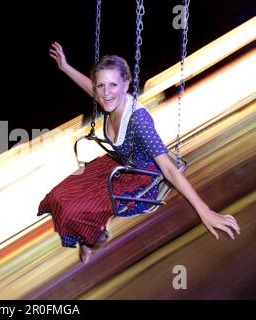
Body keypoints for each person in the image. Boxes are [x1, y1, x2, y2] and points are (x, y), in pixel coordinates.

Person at [37, 42, 241, 263]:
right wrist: (65, 67)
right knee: (59, 196)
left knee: (73, 210)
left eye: (113, 85)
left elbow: (168, 169)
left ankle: (95, 240)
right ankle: (88, 235)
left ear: (126, 84)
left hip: (140, 179)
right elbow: (92, 88)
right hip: (118, 163)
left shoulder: (138, 120)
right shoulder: (108, 98)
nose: (106, 93)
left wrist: (205, 211)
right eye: (101, 86)